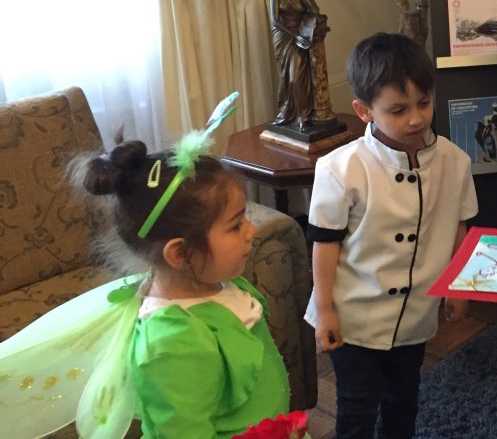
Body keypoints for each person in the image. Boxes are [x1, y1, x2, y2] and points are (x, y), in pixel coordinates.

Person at [0, 93, 291, 438]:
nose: (251, 230)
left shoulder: (216, 282)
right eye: (235, 224)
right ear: (180, 254)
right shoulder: (171, 345)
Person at [305, 32, 478, 439]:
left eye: (424, 103)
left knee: (404, 395)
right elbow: (325, 243)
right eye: (398, 110)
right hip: (352, 315)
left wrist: (458, 287)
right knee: (358, 402)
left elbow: (459, 227)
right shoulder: (339, 168)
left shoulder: (455, 161)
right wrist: (325, 308)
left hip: (416, 314)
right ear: (363, 111)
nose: (416, 118)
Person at [269, 0, 334, 130]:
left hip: (301, 36)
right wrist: (295, 36)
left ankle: (302, 117)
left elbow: (315, 11)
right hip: (284, 37)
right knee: (286, 78)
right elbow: (275, 21)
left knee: (297, 77)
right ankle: (286, 113)